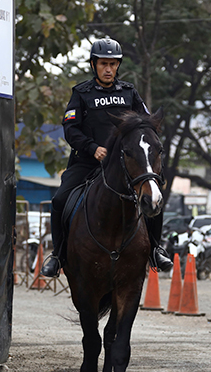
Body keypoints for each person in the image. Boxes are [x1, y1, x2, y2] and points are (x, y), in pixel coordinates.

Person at [40, 38, 173, 278]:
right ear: (94, 65)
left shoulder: (129, 92)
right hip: (88, 163)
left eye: (113, 64)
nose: (109, 69)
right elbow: (70, 129)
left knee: (153, 196)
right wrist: (91, 147)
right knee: (59, 200)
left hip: (124, 165)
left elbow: (146, 122)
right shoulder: (81, 93)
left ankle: (155, 249)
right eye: (103, 64)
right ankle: (58, 256)